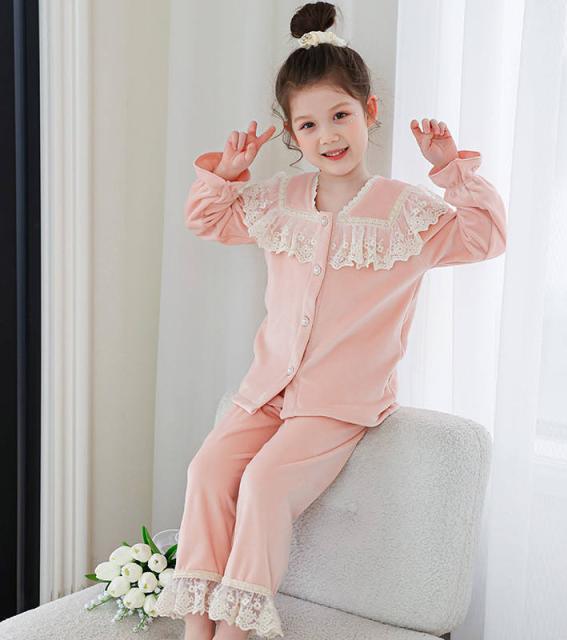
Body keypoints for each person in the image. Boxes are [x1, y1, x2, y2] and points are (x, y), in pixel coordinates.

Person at [155, 2, 507, 639]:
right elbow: (208, 220)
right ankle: (195, 631)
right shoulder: (279, 201)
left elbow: (486, 237)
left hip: (339, 401)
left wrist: (450, 168)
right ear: (293, 136)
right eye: (309, 124)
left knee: (264, 484)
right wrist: (229, 174)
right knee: (206, 471)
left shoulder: (407, 213)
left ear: (369, 112)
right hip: (266, 388)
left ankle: (234, 633)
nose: (328, 135)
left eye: (340, 115)